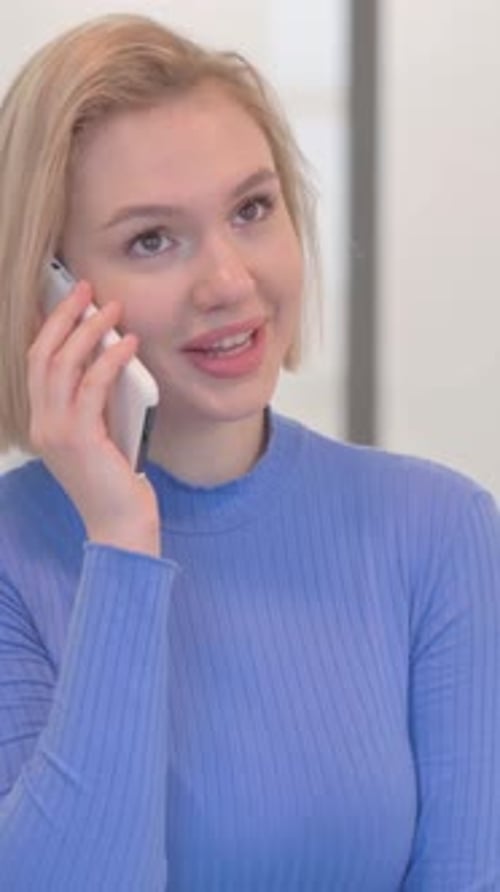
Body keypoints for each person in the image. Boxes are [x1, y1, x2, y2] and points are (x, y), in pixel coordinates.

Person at [0, 12, 499, 892]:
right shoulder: (14, 558)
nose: (230, 282)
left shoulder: (441, 531)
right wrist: (119, 543)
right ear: (51, 292)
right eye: (152, 239)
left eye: (251, 209)